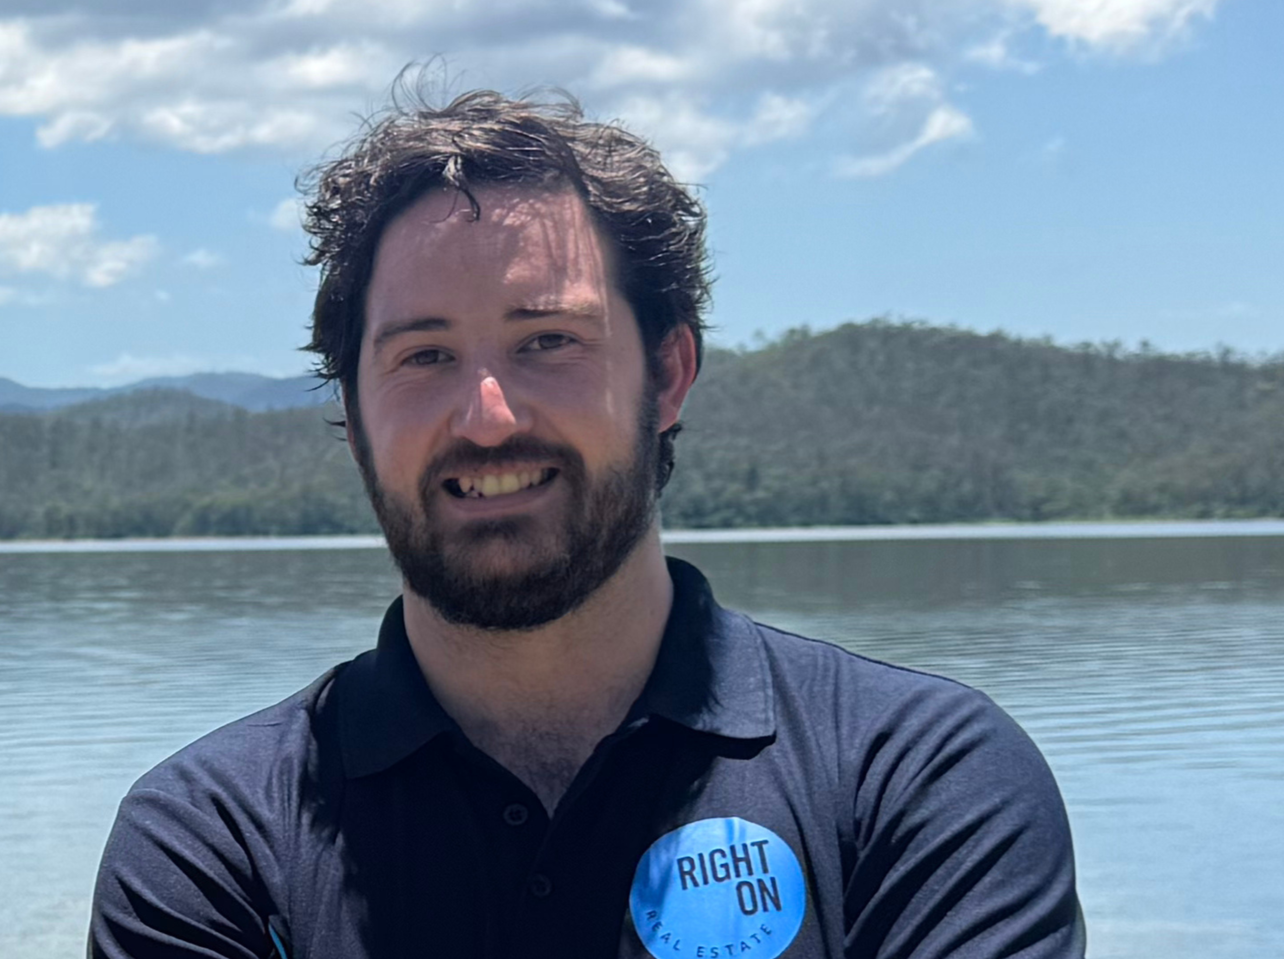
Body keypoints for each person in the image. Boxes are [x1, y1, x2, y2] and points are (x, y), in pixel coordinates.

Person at [89, 87, 1085, 959]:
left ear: (667, 377)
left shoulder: (916, 782)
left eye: (549, 340)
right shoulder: (212, 845)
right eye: (423, 357)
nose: (489, 416)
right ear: (353, 420)